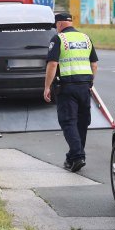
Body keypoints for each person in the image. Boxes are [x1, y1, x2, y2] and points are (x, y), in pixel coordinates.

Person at [43, 12, 98, 172]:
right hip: (84, 86)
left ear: (59, 24)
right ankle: (73, 157)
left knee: (68, 121)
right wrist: (90, 82)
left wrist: (47, 87)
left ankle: (77, 156)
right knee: (82, 121)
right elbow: (94, 64)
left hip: (67, 86)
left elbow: (53, 64)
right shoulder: (85, 38)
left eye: (56, 26)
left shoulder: (58, 39)